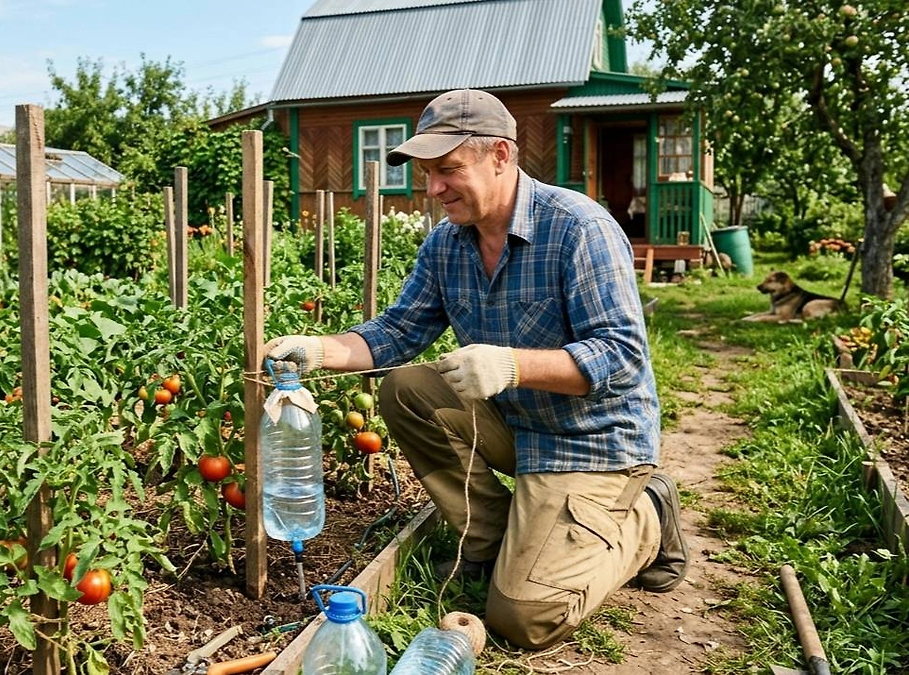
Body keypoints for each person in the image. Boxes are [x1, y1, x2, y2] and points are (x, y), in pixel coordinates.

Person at [263, 89, 688, 649]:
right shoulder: (448, 244)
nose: (434, 189)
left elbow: (622, 354)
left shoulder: (578, 228)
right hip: (517, 426)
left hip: (593, 440)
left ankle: (646, 519)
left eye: (448, 171)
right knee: (407, 388)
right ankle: (487, 543)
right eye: (427, 173)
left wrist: (512, 365)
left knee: (524, 618)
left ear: (501, 156)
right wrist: (319, 350)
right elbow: (397, 333)